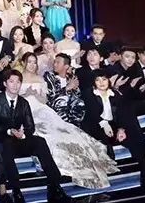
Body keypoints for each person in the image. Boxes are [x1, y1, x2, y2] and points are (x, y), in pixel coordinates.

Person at [19, 54, 118, 189]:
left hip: (43, 108)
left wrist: (36, 94)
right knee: (46, 133)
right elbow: (14, 97)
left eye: (34, 62)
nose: (32, 65)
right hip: (26, 110)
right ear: (23, 63)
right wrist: (26, 94)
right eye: (29, 62)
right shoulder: (22, 77)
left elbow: (45, 100)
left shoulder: (41, 78)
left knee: (66, 130)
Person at [0, 70, 72, 203]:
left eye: (18, 82)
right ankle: (16, 190)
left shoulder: (23, 102)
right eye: (11, 81)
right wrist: (9, 131)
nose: (15, 85)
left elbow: (30, 126)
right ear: (5, 83)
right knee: (6, 145)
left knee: (40, 141)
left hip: (19, 139)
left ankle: (54, 186)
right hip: (3, 139)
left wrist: (23, 134)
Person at [83, 73, 145, 187]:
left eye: (104, 79)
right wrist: (104, 125)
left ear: (109, 81)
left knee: (132, 140)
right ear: (94, 83)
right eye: (98, 80)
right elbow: (92, 113)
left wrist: (121, 129)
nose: (101, 83)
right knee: (107, 137)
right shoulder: (89, 94)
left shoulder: (115, 94)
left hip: (113, 125)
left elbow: (122, 114)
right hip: (96, 126)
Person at [45, 53, 86, 126]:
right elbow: (51, 96)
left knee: (80, 103)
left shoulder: (71, 77)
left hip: (71, 112)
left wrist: (75, 88)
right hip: (55, 110)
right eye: (54, 62)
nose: (54, 64)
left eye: (58, 62)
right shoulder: (50, 76)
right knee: (63, 101)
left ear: (66, 66)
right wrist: (67, 88)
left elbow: (78, 95)